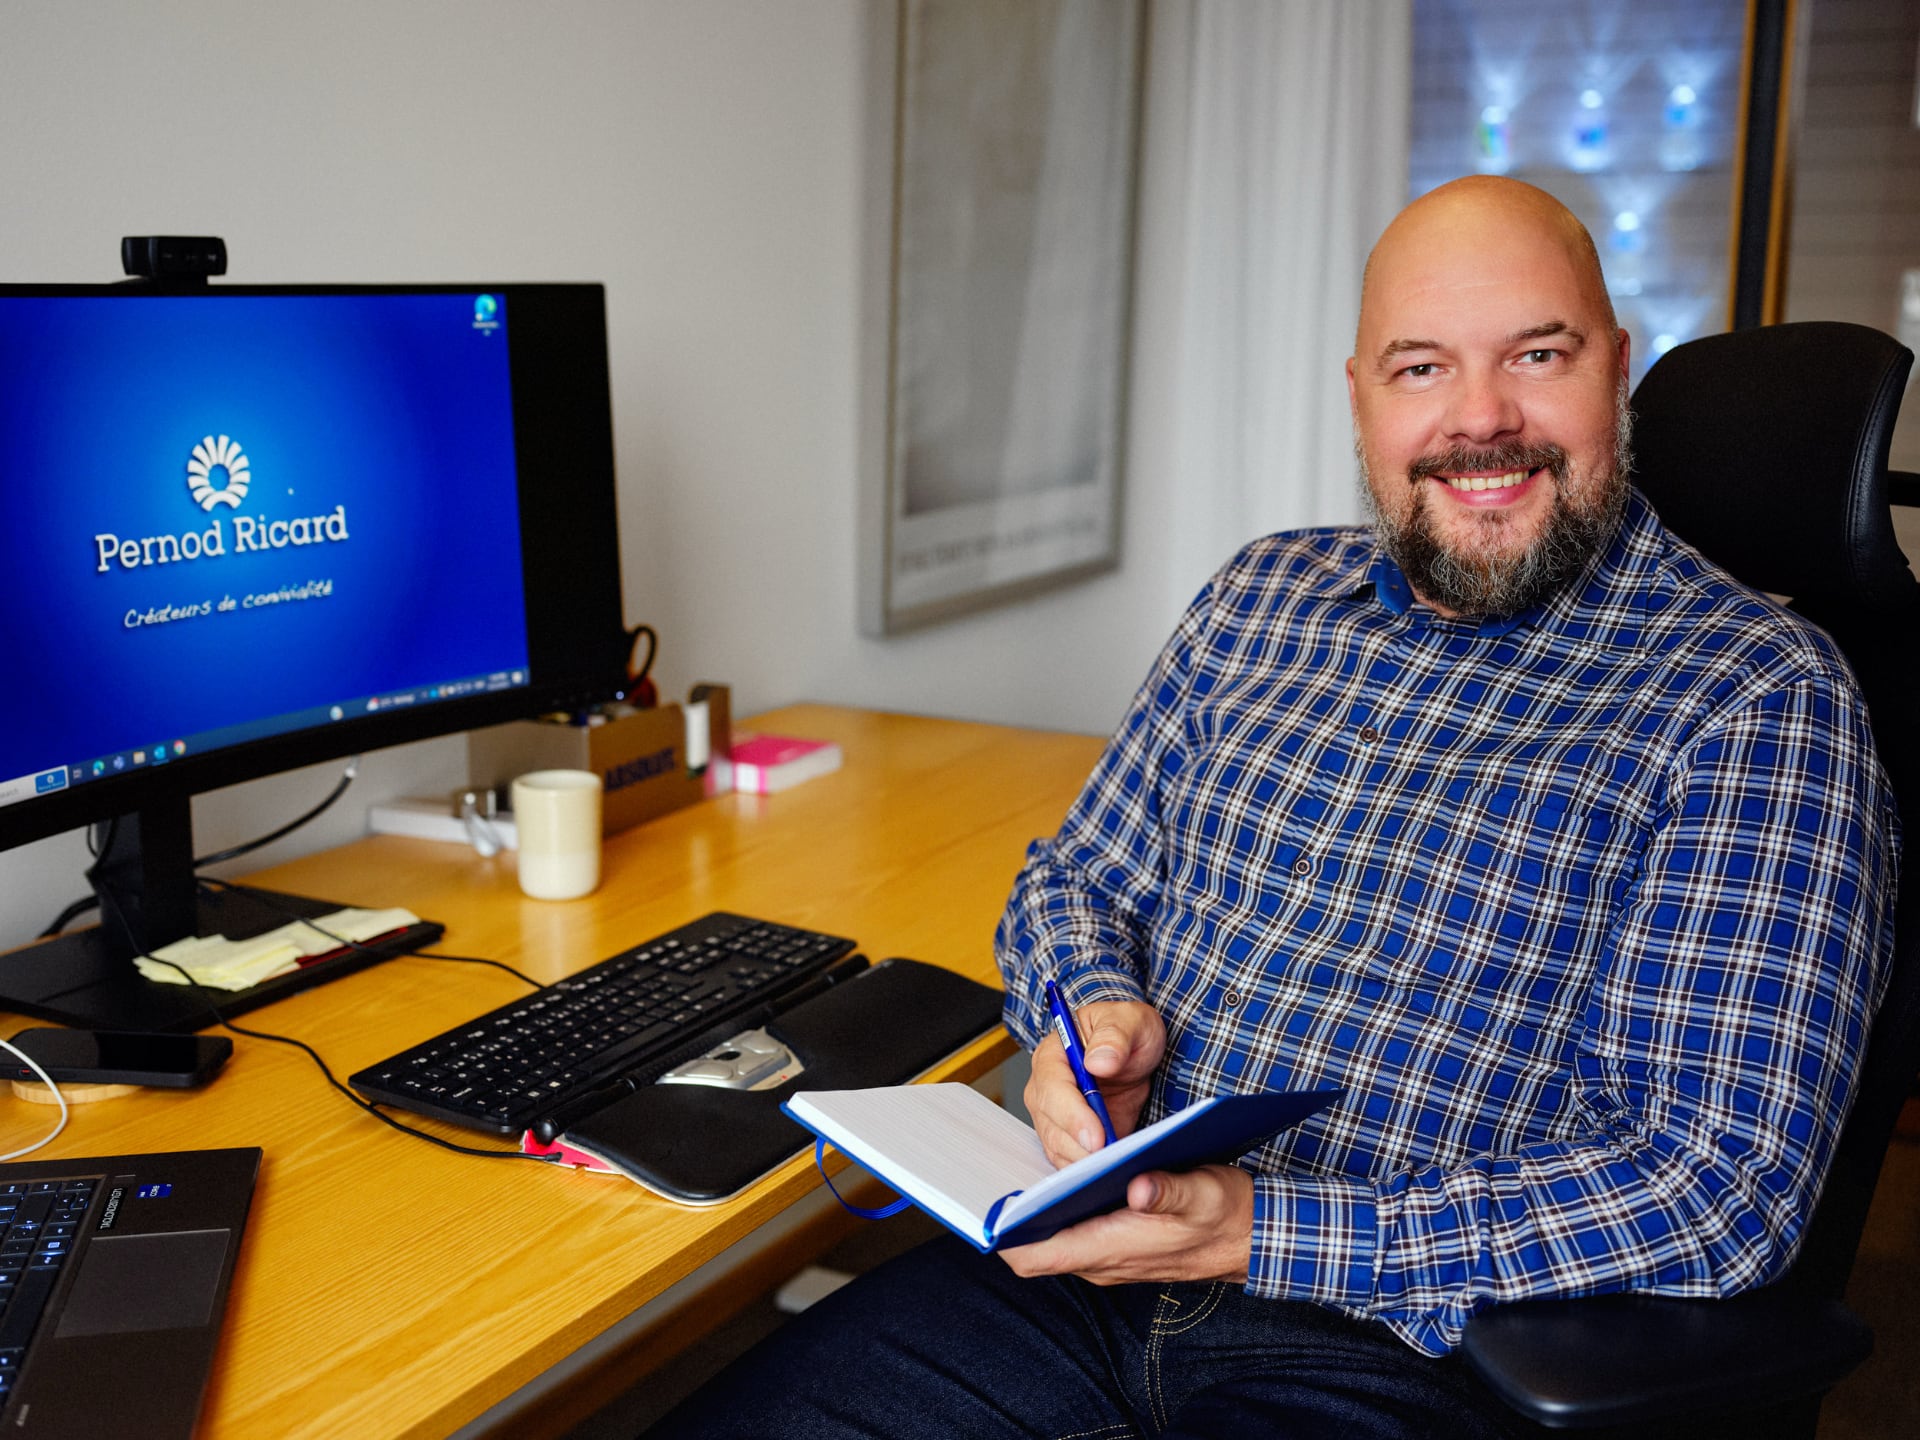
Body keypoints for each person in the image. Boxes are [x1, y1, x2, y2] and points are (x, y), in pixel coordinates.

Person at [651, 176, 1897, 1438]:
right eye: (1420, 368)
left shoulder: (1752, 699)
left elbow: (1717, 1188)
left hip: (1410, 1348)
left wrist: (1265, 1234)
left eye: (1536, 354)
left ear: (1615, 369)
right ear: (1358, 397)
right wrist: (1089, 1014)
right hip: (1088, 1270)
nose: (1483, 418)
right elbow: (1073, 881)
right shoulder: (1263, 597)